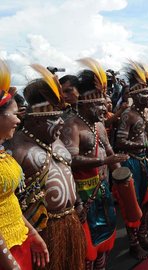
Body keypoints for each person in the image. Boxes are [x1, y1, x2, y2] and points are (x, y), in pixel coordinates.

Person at [9, 64, 86, 269]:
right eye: (53, 118)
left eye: (60, 115)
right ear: (34, 121)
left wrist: (77, 201)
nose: (60, 122)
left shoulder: (56, 140)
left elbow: (67, 172)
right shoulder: (17, 150)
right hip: (42, 231)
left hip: (69, 222)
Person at [60, 58, 128, 269]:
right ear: (85, 102)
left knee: (106, 236)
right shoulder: (71, 124)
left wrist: (122, 176)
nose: (104, 106)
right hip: (82, 193)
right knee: (87, 242)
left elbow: (109, 151)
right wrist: (104, 161)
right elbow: (71, 160)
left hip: (103, 187)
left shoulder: (98, 126)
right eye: (98, 103)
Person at [0, 61, 49, 270]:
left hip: (18, 240)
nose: (18, 121)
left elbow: (9, 201)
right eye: (14, 114)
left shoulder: (3, 152)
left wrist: (33, 234)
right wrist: (8, 261)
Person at [115, 61, 148, 260]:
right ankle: (133, 244)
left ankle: (142, 237)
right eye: (145, 94)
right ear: (134, 95)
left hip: (144, 162)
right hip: (131, 162)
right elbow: (120, 141)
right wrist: (141, 145)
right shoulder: (128, 115)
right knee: (133, 205)